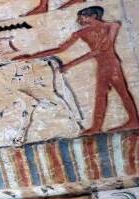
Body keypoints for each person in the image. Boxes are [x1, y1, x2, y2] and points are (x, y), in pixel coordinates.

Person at [14, 6, 139, 135]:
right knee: (101, 95)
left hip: (112, 65)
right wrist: (30, 57)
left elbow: (101, 49)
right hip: (103, 66)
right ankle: (97, 127)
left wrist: (70, 65)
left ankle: (132, 121)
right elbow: (60, 49)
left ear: (93, 16)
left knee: (122, 93)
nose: (79, 20)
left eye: (82, 17)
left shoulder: (112, 26)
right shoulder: (81, 33)